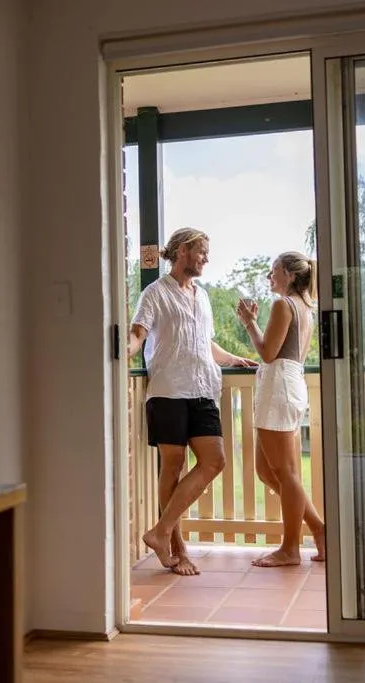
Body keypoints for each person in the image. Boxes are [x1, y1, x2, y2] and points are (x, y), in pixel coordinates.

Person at [127, 227, 257, 576]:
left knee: (214, 461)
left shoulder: (203, 296)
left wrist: (233, 359)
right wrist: (125, 350)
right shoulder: (154, 293)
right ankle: (177, 550)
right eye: (202, 251)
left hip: (203, 389)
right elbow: (139, 332)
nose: (206, 259)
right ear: (183, 250)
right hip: (169, 389)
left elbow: (204, 342)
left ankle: (160, 531)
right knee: (173, 466)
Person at [235, 251, 326, 567]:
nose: (269, 276)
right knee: (266, 470)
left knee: (285, 473)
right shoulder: (305, 308)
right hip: (287, 384)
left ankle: (290, 549)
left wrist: (249, 324)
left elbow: (268, 353)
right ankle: (318, 528)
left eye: (273, 271)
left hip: (279, 386)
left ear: (289, 274)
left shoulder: (283, 304)